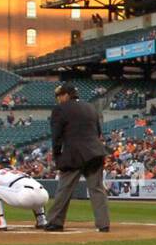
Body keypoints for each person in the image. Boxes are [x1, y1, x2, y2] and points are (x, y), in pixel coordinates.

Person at [45, 82, 109, 232]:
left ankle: (55, 221)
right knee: (97, 189)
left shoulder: (60, 109)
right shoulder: (90, 107)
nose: (58, 99)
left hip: (74, 154)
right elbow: (98, 132)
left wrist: (57, 156)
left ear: (66, 95)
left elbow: (56, 136)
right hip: (95, 152)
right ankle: (104, 224)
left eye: (59, 96)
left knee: (65, 189)